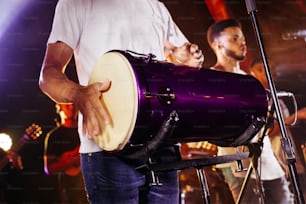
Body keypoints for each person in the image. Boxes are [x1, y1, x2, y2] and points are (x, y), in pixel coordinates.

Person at [39, 0, 204, 203]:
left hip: (161, 142)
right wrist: (78, 93)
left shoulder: (155, 6)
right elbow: (48, 76)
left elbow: (184, 61)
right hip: (108, 145)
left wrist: (187, 60)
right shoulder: (76, 3)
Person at [206, 18, 294, 204]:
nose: (242, 42)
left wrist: (277, 158)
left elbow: (263, 128)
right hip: (237, 163)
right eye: (234, 38)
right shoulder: (212, 79)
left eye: (242, 38)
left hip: (268, 162)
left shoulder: (249, 80)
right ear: (217, 45)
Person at [44, 103, 87, 204]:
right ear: (59, 106)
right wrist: (72, 160)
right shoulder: (54, 136)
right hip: (68, 191)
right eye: (67, 104)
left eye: (73, 104)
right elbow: (49, 168)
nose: (71, 107)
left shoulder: (86, 130)